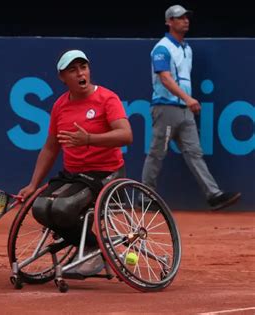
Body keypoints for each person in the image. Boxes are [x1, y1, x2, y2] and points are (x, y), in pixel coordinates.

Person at [18, 49, 133, 277]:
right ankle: (90, 244)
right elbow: (51, 147)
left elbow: (126, 135)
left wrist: (89, 139)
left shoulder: (107, 98)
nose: (80, 73)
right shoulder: (60, 106)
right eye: (73, 70)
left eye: (83, 67)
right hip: (73, 176)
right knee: (40, 207)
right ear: (62, 77)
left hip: (105, 173)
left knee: (62, 208)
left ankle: (93, 250)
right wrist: (33, 184)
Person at [141, 4, 241, 211]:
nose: (185, 21)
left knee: (194, 153)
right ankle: (144, 196)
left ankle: (213, 195)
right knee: (157, 153)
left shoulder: (187, 49)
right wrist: (188, 98)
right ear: (169, 22)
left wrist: (187, 101)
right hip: (166, 107)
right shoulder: (162, 48)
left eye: (186, 17)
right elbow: (165, 79)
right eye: (179, 18)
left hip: (184, 109)